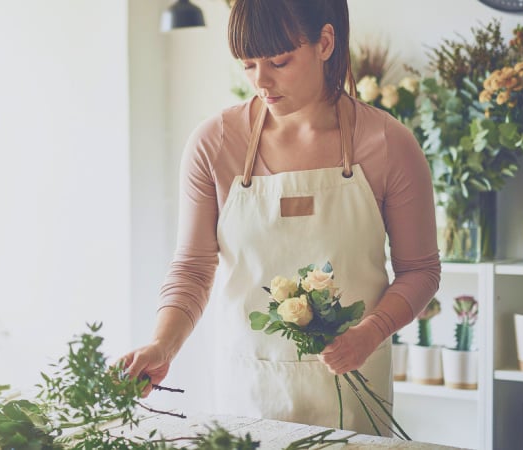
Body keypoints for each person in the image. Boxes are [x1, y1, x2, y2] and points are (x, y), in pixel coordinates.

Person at [121, 0, 440, 435]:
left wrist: (371, 333)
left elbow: (420, 271)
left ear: (325, 42)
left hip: (354, 392)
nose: (261, 82)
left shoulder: (387, 144)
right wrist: (163, 344)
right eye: (248, 64)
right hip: (248, 391)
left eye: (279, 61)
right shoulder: (214, 145)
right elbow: (193, 268)